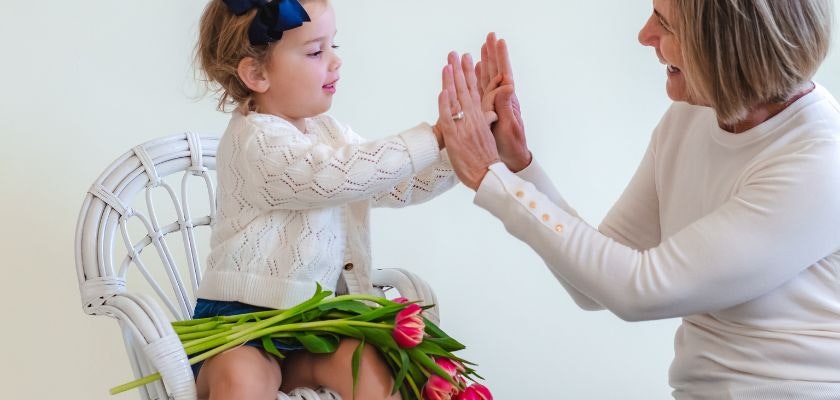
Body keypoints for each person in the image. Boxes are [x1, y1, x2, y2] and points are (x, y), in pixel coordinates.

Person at [435, 0, 840, 398]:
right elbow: (595, 287)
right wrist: (519, 166)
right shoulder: (689, 119)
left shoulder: (820, 160)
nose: (645, 35)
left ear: (728, 43)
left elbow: (637, 290)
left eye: (665, 23)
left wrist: (495, 181)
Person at [192, 0, 465, 399]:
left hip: (313, 325)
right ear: (256, 73)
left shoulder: (329, 133)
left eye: (334, 45)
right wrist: (434, 135)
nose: (335, 61)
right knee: (242, 379)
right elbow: (338, 175)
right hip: (241, 326)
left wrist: (465, 152)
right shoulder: (256, 140)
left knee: (367, 364)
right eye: (316, 51)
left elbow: (394, 183)